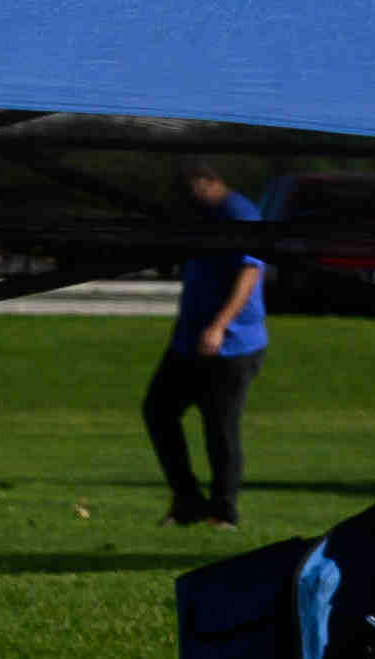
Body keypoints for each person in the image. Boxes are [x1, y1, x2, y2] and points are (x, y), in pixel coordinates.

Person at [147, 173, 276, 527]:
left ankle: (223, 512)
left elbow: (250, 272)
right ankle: (186, 500)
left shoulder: (240, 214)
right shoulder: (201, 216)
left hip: (232, 343)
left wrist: (220, 325)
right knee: (158, 410)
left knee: (220, 426)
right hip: (189, 339)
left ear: (207, 181)